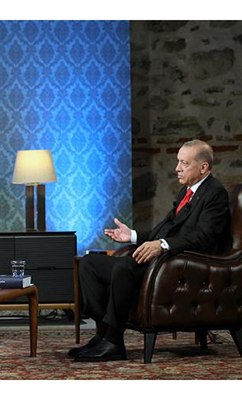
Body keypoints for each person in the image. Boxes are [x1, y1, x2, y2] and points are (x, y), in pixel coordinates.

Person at [70, 139, 231, 362]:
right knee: (89, 265)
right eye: (178, 162)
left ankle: (114, 341)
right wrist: (132, 236)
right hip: (161, 262)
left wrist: (163, 245)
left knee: (124, 267)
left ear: (203, 167)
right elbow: (165, 230)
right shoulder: (186, 192)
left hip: (181, 267)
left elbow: (204, 237)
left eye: (184, 163)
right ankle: (104, 335)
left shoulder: (215, 193)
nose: (177, 168)